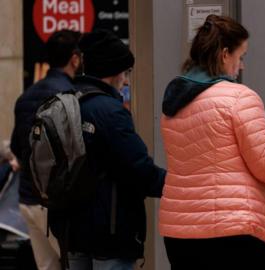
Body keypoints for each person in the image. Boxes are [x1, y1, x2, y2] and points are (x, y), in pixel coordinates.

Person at [158, 14, 265, 270]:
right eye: (241, 57)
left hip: (180, 235)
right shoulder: (239, 98)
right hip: (231, 235)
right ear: (224, 54)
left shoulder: (174, 102)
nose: (241, 67)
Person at [50, 29, 166, 270]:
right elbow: (139, 169)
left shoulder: (67, 103)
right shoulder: (110, 112)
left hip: (72, 230)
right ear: (113, 72)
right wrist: (178, 185)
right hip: (110, 231)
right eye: (125, 73)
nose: (125, 80)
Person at [10, 29, 82, 270]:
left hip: (29, 198)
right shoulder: (71, 97)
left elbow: (16, 148)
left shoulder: (26, 96)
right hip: (58, 203)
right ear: (74, 58)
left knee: (47, 266)